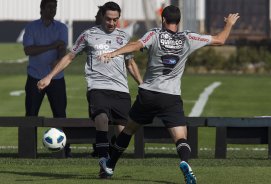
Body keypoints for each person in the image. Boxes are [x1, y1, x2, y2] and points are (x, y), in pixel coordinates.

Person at [99, 5, 239, 184]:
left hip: (148, 94)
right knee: (180, 137)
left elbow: (136, 45)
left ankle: (110, 165)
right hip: (170, 97)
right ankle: (184, 162)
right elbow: (220, 40)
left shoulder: (154, 34)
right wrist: (229, 24)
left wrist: (113, 53)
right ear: (178, 22)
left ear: (163, 20)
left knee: (128, 130)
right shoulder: (188, 37)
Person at [37, 1, 143, 178]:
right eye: (109, 19)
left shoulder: (123, 37)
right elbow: (70, 57)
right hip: (98, 87)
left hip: (120, 90)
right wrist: (49, 76)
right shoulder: (88, 35)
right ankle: (103, 159)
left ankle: (109, 162)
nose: (112, 23)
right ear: (102, 16)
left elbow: (130, 63)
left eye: (115, 20)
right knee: (101, 118)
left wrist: (142, 84)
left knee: (124, 133)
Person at [22, 0, 72, 157]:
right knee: (31, 115)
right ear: (41, 8)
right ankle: (29, 151)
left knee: (60, 115)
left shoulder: (62, 28)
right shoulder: (31, 27)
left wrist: (59, 58)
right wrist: (52, 46)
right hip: (35, 77)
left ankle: (65, 151)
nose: (53, 10)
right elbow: (29, 50)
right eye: (49, 7)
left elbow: (62, 47)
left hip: (56, 78)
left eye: (55, 7)